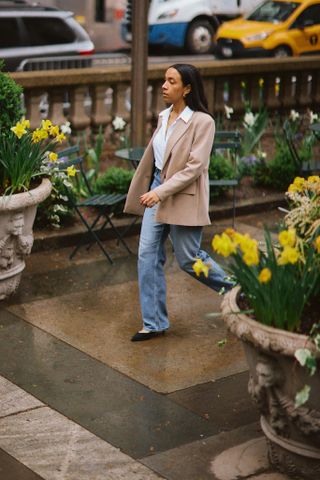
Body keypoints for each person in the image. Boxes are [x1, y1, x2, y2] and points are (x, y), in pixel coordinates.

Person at [124, 63, 234, 342]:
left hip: (182, 194)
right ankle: (154, 322)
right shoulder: (163, 117)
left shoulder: (202, 122)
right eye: (164, 80)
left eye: (171, 81)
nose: (164, 86)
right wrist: (153, 187)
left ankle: (239, 294)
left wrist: (160, 192)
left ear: (187, 88)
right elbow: (158, 160)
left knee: (189, 259)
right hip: (157, 188)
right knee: (147, 255)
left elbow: (194, 168)